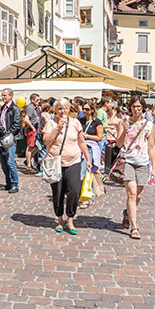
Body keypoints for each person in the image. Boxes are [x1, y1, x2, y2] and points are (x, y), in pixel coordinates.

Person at [42, 98, 90, 234]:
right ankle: (59, 219)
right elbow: (46, 141)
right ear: (55, 110)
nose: (62, 111)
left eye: (65, 108)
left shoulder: (75, 123)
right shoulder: (50, 123)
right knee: (58, 192)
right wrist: (58, 128)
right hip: (55, 162)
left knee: (74, 190)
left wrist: (88, 158)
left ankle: (70, 218)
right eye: (60, 108)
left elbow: (81, 142)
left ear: (69, 109)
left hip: (74, 161)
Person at [115, 97, 155, 240]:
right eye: (134, 106)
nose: (136, 109)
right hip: (128, 161)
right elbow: (119, 144)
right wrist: (124, 132)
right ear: (130, 107)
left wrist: (154, 167)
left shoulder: (149, 124)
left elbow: (151, 147)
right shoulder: (124, 122)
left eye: (139, 106)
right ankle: (134, 227)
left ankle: (127, 213)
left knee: (138, 195)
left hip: (143, 162)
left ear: (143, 107)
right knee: (131, 193)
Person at [0, 87, 21, 193]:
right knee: (3, 162)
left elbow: (17, 124)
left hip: (10, 138)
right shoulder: (3, 108)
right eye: (2, 95)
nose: (2, 97)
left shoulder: (15, 108)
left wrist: (8, 134)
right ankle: (8, 182)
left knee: (10, 161)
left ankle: (15, 184)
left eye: (4, 95)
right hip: (2, 138)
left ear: (11, 96)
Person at [80, 101, 104, 203]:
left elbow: (99, 137)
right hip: (80, 148)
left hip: (91, 149)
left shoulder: (97, 122)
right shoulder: (80, 121)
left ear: (92, 110)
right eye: (84, 109)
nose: (85, 111)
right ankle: (88, 195)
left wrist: (87, 136)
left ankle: (88, 197)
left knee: (86, 174)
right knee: (85, 174)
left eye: (87, 109)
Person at [24, 95, 42, 172]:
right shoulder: (30, 108)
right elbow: (26, 119)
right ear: (32, 100)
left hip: (35, 129)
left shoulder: (35, 108)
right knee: (30, 146)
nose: (39, 101)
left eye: (39, 100)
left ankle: (28, 160)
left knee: (38, 146)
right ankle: (28, 164)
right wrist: (32, 127)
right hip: (31, 130)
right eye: (37, 100)